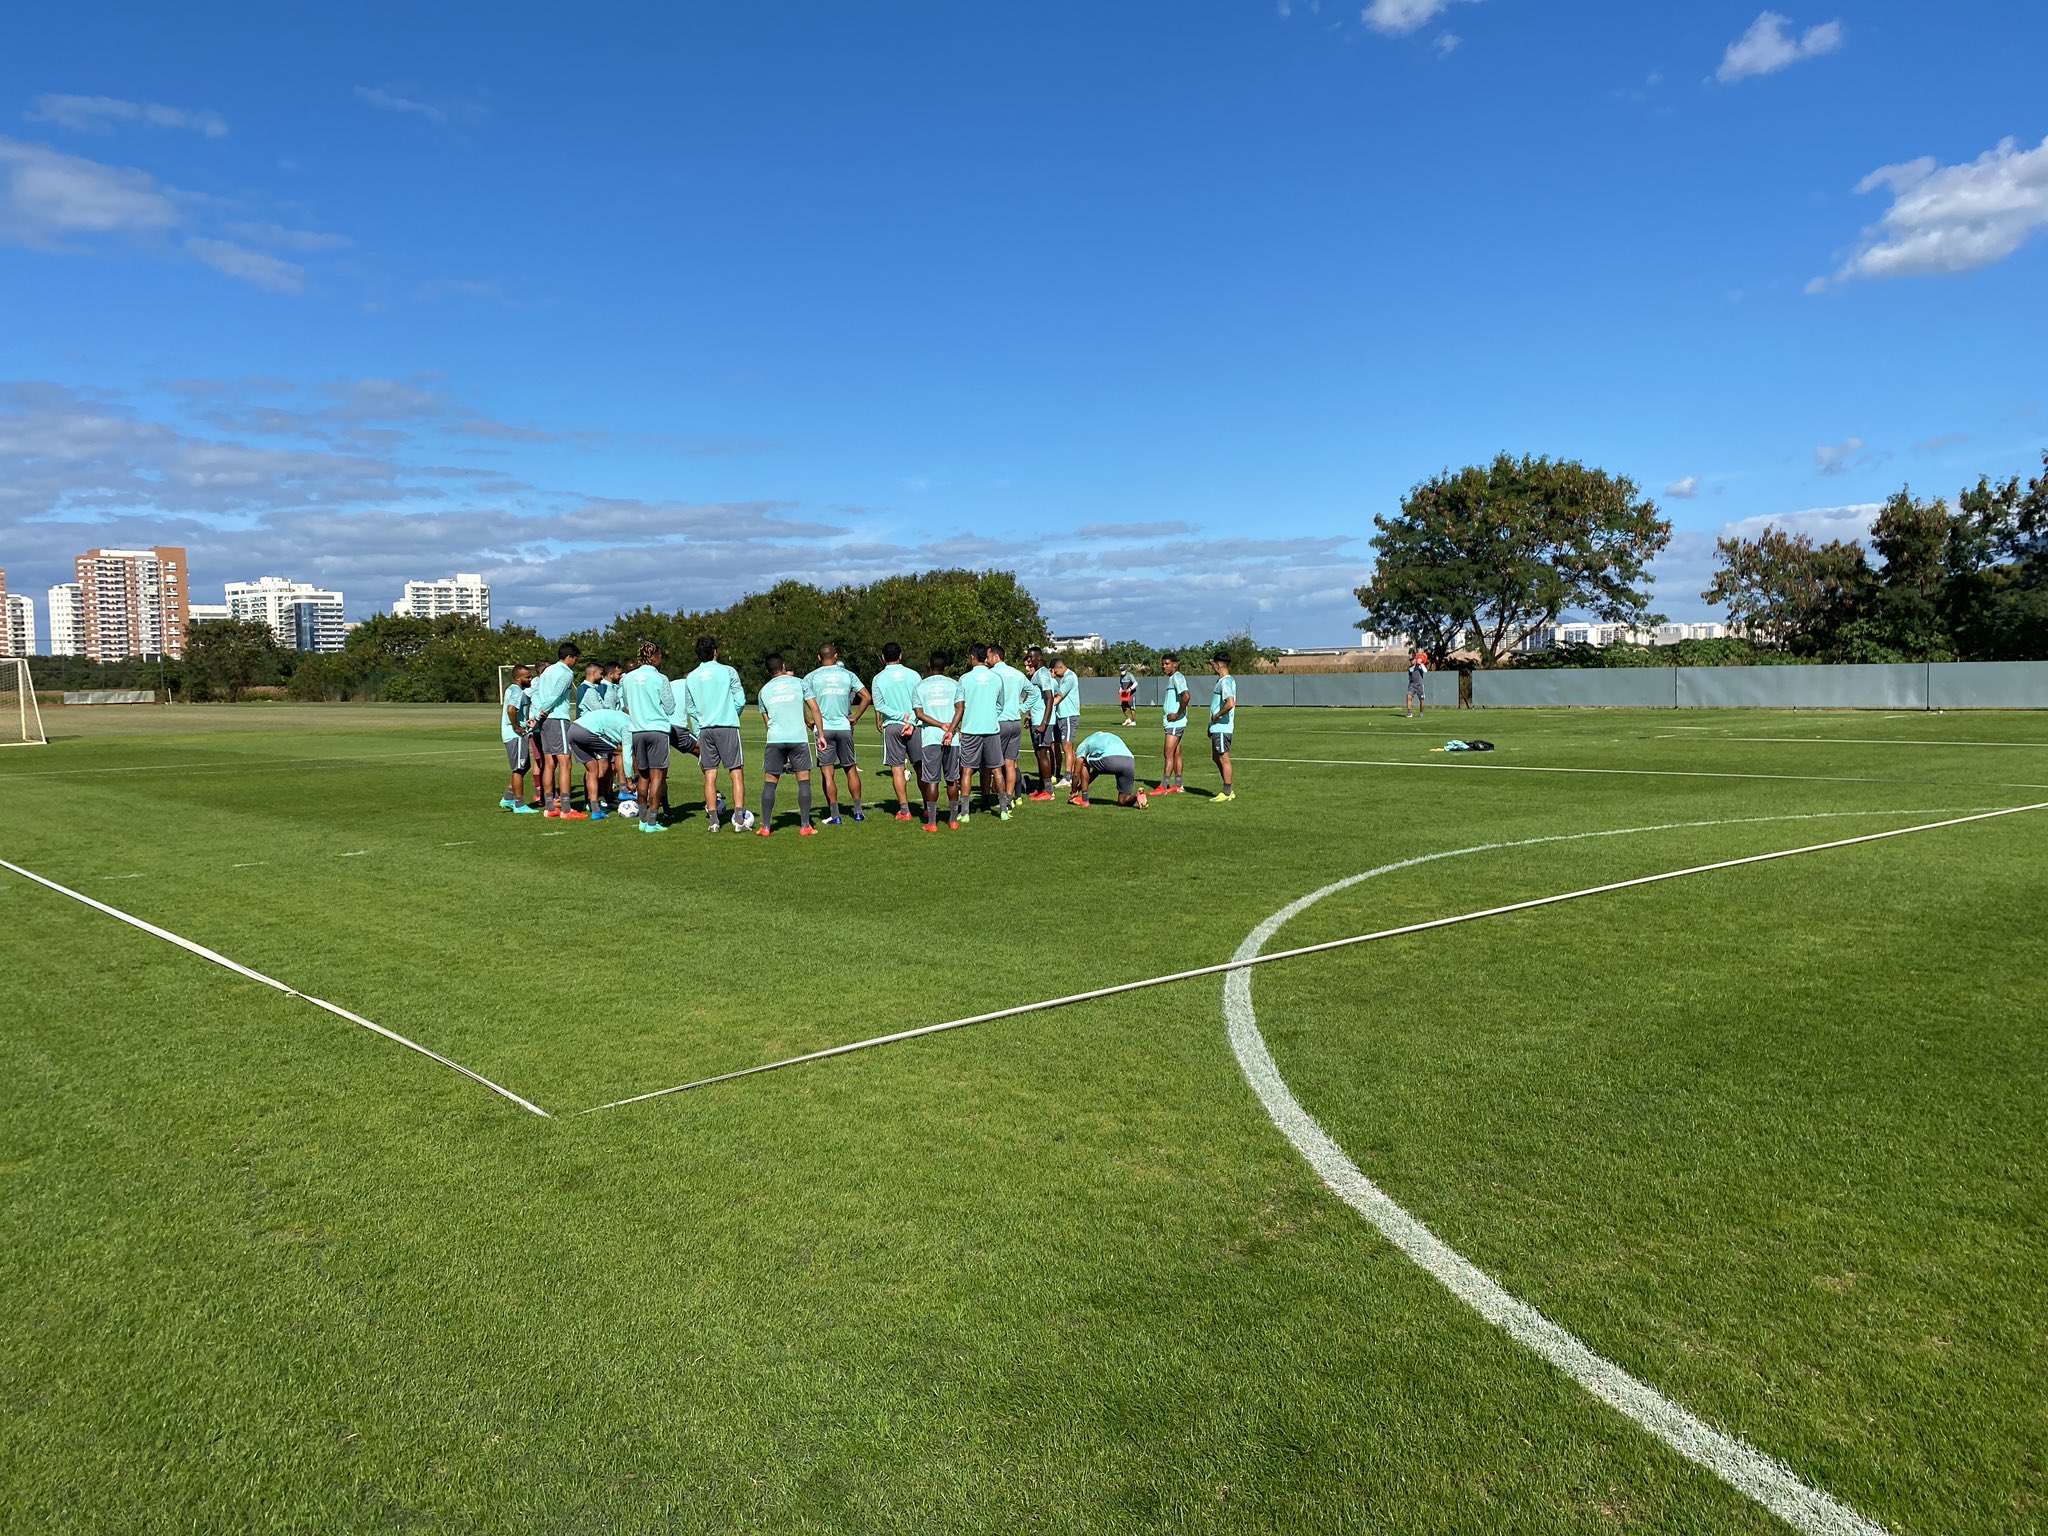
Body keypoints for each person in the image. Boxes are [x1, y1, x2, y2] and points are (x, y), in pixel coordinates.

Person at [686, 635, 753, 833]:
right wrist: (731, 714)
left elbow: (691, 708)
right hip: (727, 726)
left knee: (709, 775)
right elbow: (740, 700)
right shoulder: (728, 671)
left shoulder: (691, 676)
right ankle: (739, 821)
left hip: (705, 729)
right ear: (715, 652)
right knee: (736, 772)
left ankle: (714, 822)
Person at [757, 654, 823, 837]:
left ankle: (766, 827)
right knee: (803, 782)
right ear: (784, 666)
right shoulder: (800, 683)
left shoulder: (763, 690)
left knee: (770, 784)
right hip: (798, 738)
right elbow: (815, 709)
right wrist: (821, 734)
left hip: (775, 739)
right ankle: (804, 826)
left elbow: (767, 720)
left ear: (767, 670)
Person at [805, 643, 870, 824]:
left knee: (827, 773)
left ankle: (835, 815)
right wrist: (855, 717)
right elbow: (866, 696)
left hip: (823, 728)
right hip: (844, 726)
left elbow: (800, 699)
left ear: (819, 658)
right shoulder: (848, 674)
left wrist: (807, 720)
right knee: (850, 768)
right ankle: (858, 812)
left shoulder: (811, 677)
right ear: (836, 656)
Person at [563, 707, 655, 829]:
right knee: (620, 751)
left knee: (592, 770)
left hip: (573, 730)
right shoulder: (629, 726)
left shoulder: (622, 717)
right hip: (587, 731)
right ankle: (623, 789)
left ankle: (594, 808)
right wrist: (629, 779)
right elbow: (627, 753)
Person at [621, 642, 678, 828]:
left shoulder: (628, 678)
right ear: (653, 656)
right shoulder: (660, 678)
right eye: (660, 656)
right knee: (657, 777)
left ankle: (643, 820)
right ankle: (653, 822)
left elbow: (627, 705)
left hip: (637, 731)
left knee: (643, 777)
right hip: (657, 731)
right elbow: (670, 707)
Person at [869, 641, 923, 820]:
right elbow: (921, 701)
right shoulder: (914, 675)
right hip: (915, 725)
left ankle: (905, 810)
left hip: (893, 725)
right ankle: (929, 806)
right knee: (921, 768)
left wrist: (900, 718)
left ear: (883, 658)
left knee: (897, 769)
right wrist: (910, 720)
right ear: (901, 655)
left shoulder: (878, 678)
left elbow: (880, 705)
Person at [529, 641, 583, 818]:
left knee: (549, 763)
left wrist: (537, 714)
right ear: (569, 658)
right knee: (565, 762)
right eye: (575, 659)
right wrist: (541, 713)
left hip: (545, 721)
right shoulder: (565, 673)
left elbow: (536, 694)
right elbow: (556, 695)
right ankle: (566, 809)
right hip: (556, 718)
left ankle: (550, 807)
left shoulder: (547, 671)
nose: (575, 662)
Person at [912, 650, 964, 831]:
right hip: (952, 739)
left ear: (929, 665)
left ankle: (932, 823)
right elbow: (960, 709)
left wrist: (940, 725)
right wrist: (950, 730)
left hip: (931, 738)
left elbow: (919, 714)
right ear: (946, 667)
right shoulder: (955, 684)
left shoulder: (919, 686)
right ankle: (953, 820)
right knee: (952, 780)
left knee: (932, 781)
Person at [955, 643, 1007, 822]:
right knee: (997, 770)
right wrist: (991, 716)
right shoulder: (996, 678)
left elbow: (959, 706)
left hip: (970, 730)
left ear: (972, 657)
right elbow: (1000, 703)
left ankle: (965, 812)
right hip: (991, 729)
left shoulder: (964, 679)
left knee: (967, 771)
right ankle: (1003, 810)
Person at [986, 641, 1029, 813]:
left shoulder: (991, 674)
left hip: (999, 722)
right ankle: (1010, 799)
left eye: (988, 656)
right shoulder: (1017, 674)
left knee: (995, 764)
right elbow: (1032, 691)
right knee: (1010, 764)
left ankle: (1001, 799)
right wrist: (1022, 709)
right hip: (1015, 723)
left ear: (996, 656)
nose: (986, 660)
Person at [499, 664, 541, 813]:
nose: (530, 679)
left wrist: (524, 721)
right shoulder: (516, 691)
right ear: (518, 678)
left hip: (516, 734)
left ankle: (508, 798)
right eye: (527, 677)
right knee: (518, 768)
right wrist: (517, 727)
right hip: (515, 736)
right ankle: (519, 804)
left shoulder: (512, 689)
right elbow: (511, 710)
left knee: (525, 766)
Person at [1070, 730, 1149, 809]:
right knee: (1123, 799)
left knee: (1083, 762)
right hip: (1129, 761)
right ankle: (1137, 795)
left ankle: (1085, 799)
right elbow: (1095, 773)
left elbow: (1076, 773)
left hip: (1111, 759)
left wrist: (1074, 791)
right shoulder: (1099, 739)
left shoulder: (1082, 746)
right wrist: (1079, 788)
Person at [1024, 645, 1057, 800]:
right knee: (1038, 753)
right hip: (1036, 719)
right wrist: (1030, 716)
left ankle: (1049, 792)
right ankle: (1041, 787)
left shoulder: (1043, 674)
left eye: (1031, 657)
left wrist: (1044, 722)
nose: (1029, 660)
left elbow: (1049, 697)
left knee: (1043, 753)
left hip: (1042, 721)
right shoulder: (1038, 674)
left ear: (1038, 657)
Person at [1156, 652, 1190, 793]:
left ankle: (1163, 786)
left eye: (1167, 664)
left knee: (1168, 753)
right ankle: (1178, 785)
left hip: (1175, 723)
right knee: (1176, 753)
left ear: (1175, 664)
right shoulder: (1173, 678)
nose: (1164, 666)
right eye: (1163, 664)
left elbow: (1186, 697)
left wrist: (1177, 714)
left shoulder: (1177, 677)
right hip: (1173, 723)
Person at [1208, 651, 1237, 802]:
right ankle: (1228, 788)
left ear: (1218, 664)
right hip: (1216, 727)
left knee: (1223, 758)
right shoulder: (1223, 681)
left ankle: (1227, 792)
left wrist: (1217, 715)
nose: (1213, 666)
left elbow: (1230, 703)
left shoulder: (1225, 681)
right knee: (1215, 756)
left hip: (1222, 727)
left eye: (1213, 664)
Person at [1048, 655, 1082, 785]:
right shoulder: (1062, 679)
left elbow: (1059, 697)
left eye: (1055, 671)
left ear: (1061, 667)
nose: (1054, 674)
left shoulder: (1069, 678)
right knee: (1065, 746)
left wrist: (1047, 708)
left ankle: (1067, 778)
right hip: (1061, 716)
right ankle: (1071, 774)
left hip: (1068, 715)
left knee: (1067, 746)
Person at [1406, 647, 1429, 718]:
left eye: (1412, 660)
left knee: (1421, 699)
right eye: (1410, 661)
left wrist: (1421, 664)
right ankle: (1409, 713)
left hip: (1419, 685)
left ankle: (1421, 712)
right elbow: (1411, 673)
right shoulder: (1410, 668)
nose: (1411, 662)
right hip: (1412, 685)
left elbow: (1425, 671)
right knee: (1409, 697)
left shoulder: (1420, 666)